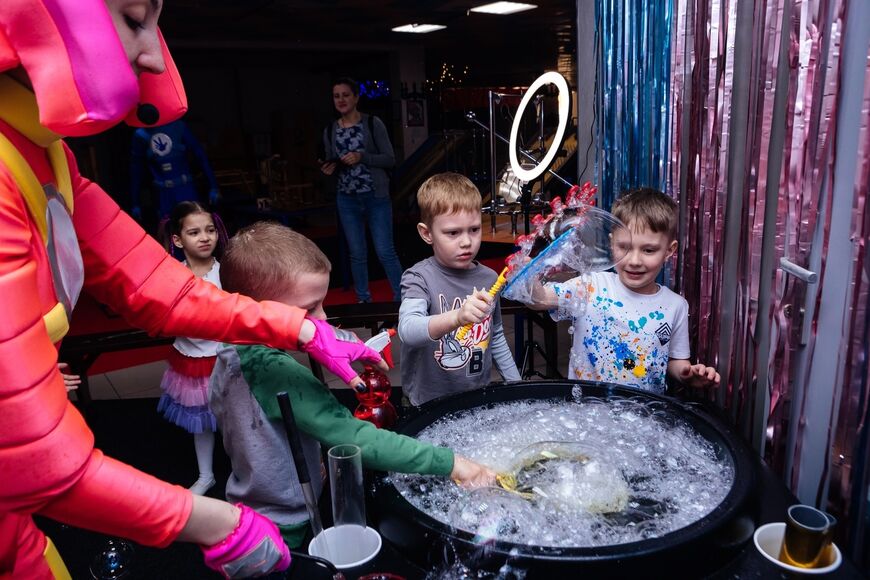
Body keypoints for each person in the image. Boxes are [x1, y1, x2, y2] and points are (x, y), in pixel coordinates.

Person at [0, 1, 386, 577]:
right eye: (134, 20)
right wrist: (215, 523)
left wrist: (302, 327)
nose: (154, 54)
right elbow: (41, 463)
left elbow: (169, 292)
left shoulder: (43, 155)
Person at [209, 221, 496, 548]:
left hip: (247, 501)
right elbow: (355, 438)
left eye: (322, 302)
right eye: (308, 309)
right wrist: (453, 463)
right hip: (285, 526)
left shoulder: (227, 352)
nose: (323, 317)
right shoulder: (272, 370)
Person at [532, 188, 720, 394]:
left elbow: (675, 360)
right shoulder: (590, 285)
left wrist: (687, 374)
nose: (634, 261)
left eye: (648, 250)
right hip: (585, 413)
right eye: (624, 247)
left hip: (641, 415)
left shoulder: (676, 306)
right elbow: (539, 300)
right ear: (612, 243)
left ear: (669, 250)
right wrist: (526, 273)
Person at [399, 173, 521, 406]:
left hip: (476, 394)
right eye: (453, 233)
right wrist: (457, 317)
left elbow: (494, 336)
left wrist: (516, 387)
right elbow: (408, 330)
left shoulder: (489, 278)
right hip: (427, 401)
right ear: (427, 233)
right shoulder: (419, 278)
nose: (466, 241)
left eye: (474, 230)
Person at [157, 201, 227, 496]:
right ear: (177, 239)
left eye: (210, 230)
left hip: (226, 357)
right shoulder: (173, 274)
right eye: (194, 232)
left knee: (237, 420)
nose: (204, 237)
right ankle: (206, 475)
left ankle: (250, 473)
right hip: (192, 359)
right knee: (201, 421)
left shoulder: (228, 272)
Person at [319, 77, 403, 303]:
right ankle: (363, 301)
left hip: (375, 196)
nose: (341, 100)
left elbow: (390, 159)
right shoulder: (330, 130)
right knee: (357, 254)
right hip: (346, 198)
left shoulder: (373, 124)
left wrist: (362, 157)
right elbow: (332, 162)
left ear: (356, 97)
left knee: (385, 251)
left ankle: (405, 299)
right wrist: (329, 168)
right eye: (336, 96)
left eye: (346, 95)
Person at [130, 117, 220, 224]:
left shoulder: (178, 126)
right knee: (167, 230)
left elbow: (200, 156)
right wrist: (135, 202)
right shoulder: (141, 134)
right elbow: (136, 170)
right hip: (163, 193)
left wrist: (214, 186)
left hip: (185, 188)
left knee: (194, 225)